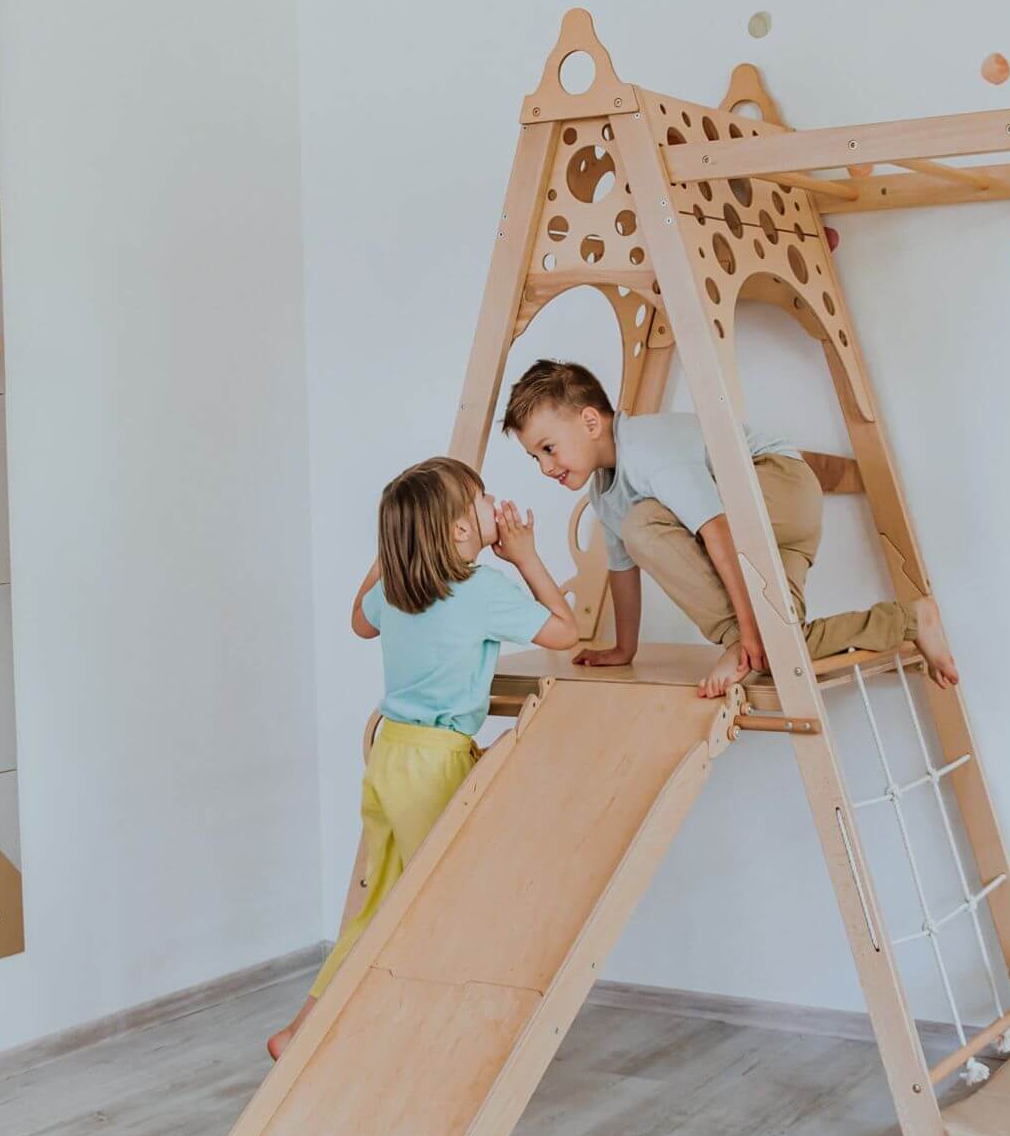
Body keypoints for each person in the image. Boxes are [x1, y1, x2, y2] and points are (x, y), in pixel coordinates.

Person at [266, 456, 576, 1060]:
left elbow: (359, 623)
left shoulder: (393, 591)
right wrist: (525, 556)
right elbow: (568, 632)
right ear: (462, 531)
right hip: (434, 761)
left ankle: (300, 1030)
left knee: (379, 901)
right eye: (484, 500)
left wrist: (391, 551)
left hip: (387, 755)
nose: (496, 508)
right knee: (446, 899)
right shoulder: (483, 589)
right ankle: (438, 1030)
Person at [501, 360, 958, 698]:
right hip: (779, 530)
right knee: (781, 652)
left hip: (777, 487)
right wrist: (624, 648)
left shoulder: (647, 450)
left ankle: (740, 638)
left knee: (644, 524)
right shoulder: (605, 492)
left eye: (548, 448)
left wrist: (744, 631)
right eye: (535, 457)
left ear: (589, 421)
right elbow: (624, 573)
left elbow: (718, 530)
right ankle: (913, 620)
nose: (545, 467)